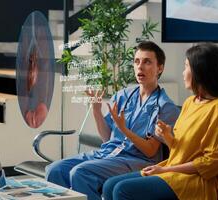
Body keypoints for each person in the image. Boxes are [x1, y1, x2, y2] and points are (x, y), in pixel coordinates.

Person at [102, 43, 218, 200]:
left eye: (186, 67)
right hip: (174, 170)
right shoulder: (190, 102)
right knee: (109, 185)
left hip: (199, 181)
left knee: (123, 190)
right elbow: (180, 149)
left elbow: (211, 163)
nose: (183, 73)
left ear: (201, 71)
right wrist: (167, 136)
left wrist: (165, 170)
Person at [45, 41, 180, 200]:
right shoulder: (123, 95)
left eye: (147, 62)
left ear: (160, 68)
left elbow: (150, 151)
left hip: (137, 160)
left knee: (81, 173)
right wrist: (96, 110)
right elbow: (107, 138)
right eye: (137, 61)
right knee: (55, 169)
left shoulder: (165, 107)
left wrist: (124, 130)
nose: (140, 67)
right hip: (108, 153)